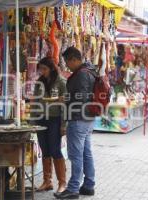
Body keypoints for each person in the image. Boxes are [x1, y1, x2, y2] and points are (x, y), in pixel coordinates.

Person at [55, 47, 96, 199]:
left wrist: (66, 99)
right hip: (88, 118)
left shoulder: (81, 75)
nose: (67, 66)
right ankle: (89, 185)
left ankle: (73, 188)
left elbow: (81, 98)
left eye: (67, 62)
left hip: (78, 118)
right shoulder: (90, 71)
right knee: (86, 153)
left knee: (76, 155)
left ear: (74, 59)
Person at [32, 57, 67, 194]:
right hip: (41, 118)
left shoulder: (61, 82)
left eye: (44, 69)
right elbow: (35, 102)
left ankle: (62, 183)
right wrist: (33, 120)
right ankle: (47, 181)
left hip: (55, 119)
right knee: (45, 150)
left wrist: (63, 124)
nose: (42, 71)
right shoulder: (39, 82)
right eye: (40, 69)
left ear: (52, 68)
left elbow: (65, 105)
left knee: (55, 150)